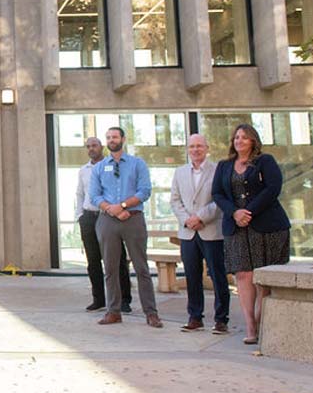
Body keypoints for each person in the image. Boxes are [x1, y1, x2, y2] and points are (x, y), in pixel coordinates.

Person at [210, 123, 291, 345]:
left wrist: (249, 212)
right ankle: (250, 326)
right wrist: (234, 212)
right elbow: (217, 193)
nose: (239, 141)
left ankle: (260, 318)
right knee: (243, 275)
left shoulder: (265, 161)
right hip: (236, 228)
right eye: (236, 137)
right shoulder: (224, 166)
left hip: (266, 226)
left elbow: (273, 188)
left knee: (262, 276)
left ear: (253, 141)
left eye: (244, 137)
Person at [89, 126, 162, 328]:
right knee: (110, 268)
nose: (111, 140)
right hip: (107, 220)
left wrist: (122, 206)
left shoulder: (138, 164)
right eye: (108, 137)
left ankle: (151, 313)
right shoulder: (99, 167)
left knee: (141, 267)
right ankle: (113, 312)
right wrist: (112, 209)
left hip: (133, 218)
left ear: (123, 139)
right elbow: (94, 196)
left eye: (115, 136)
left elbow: (144, 191)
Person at [170, 133, 228, 334]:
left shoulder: (218, 170)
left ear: (207, 148)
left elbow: (221, 199)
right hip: (187, 233)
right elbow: (174, 200)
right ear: (187, 149)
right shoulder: (179, 172)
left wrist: (200, 217)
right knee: (192, 276)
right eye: (192, 146)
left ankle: (221, 319)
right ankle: (195, 317)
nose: (195, 150)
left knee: (218, 276)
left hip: (211, 230)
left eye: (199, 146)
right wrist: (187, 219)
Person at [74, 136, 132, 313]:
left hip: (108, 216)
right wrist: (80, 215)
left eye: (94, 145)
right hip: (88, 217)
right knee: (93, 261)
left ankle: (124, 300)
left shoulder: (112, 166)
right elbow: (79, 194)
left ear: (102, 147)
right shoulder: (83, 170)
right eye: (88, 146)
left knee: (117, 259)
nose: (91, 149)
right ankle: (98, 299)